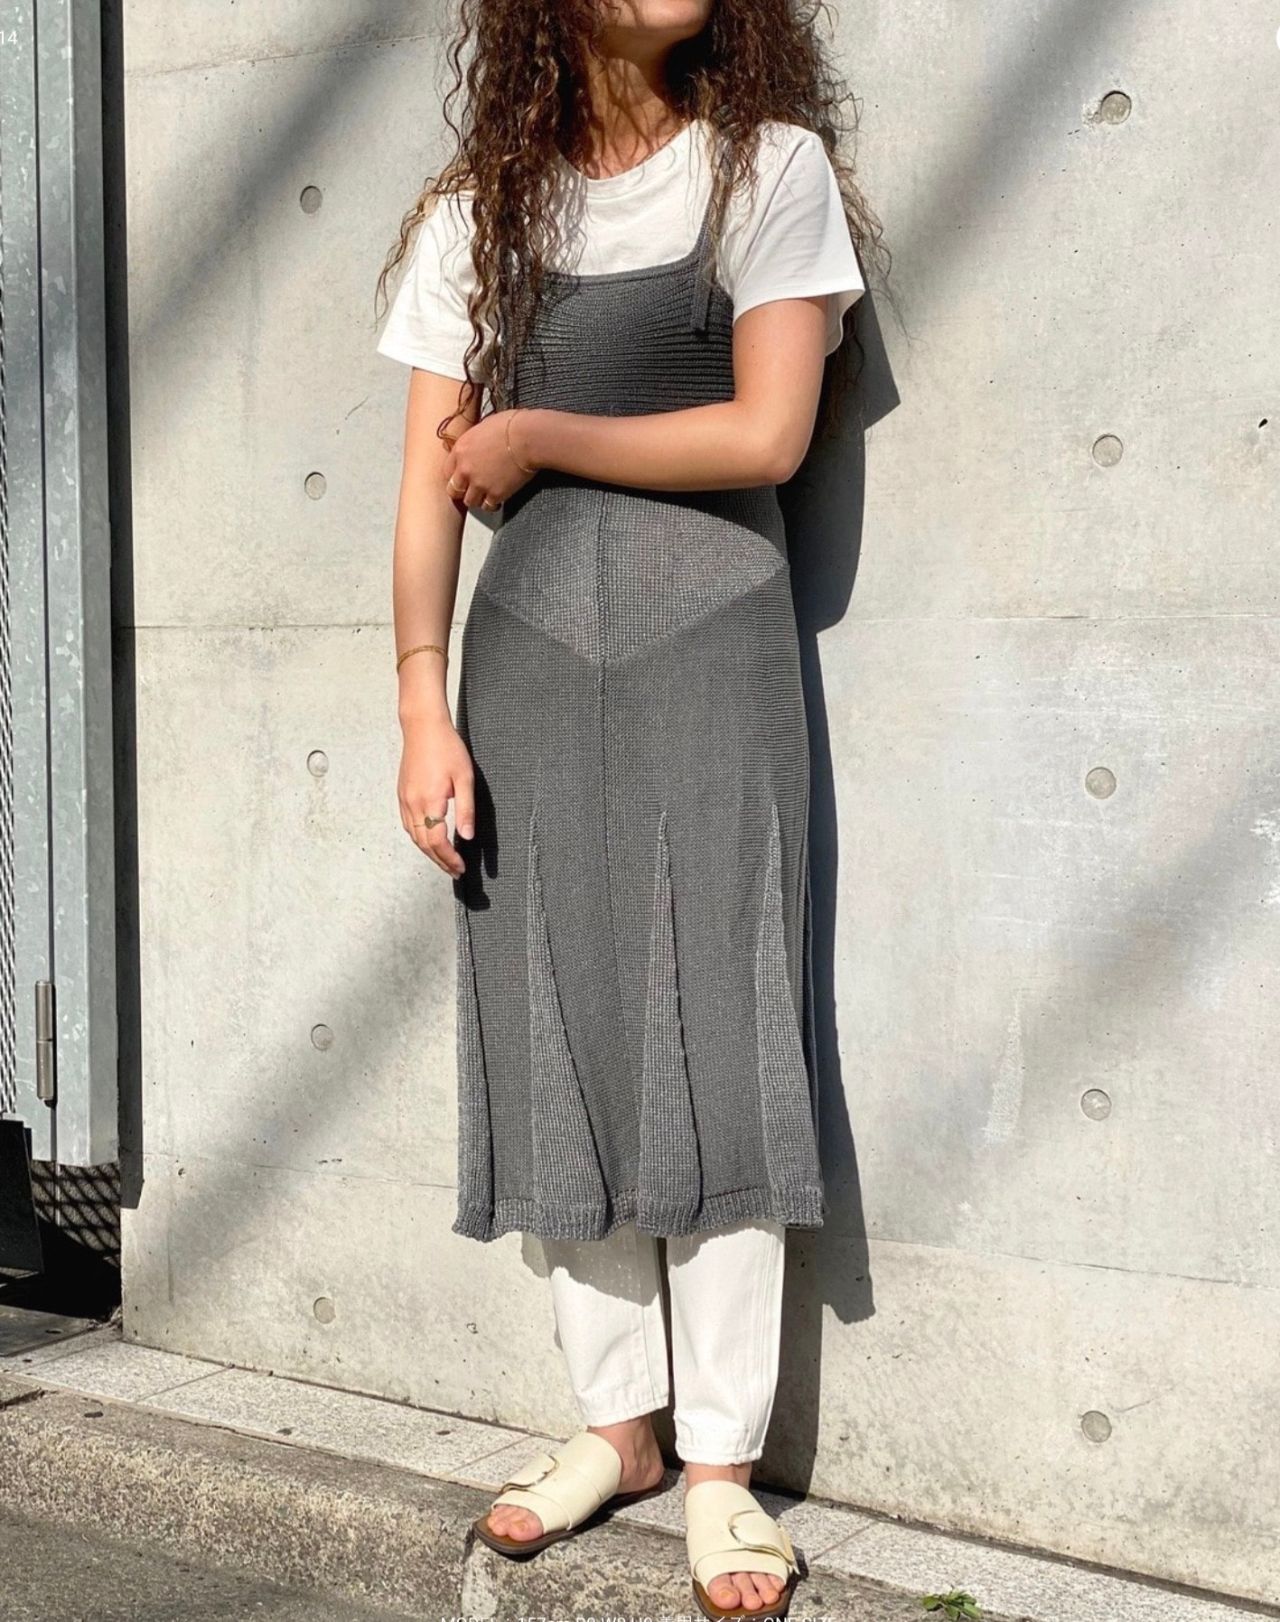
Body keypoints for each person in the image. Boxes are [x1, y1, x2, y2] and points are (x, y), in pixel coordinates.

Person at [374, 3, 880, 1615]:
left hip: (713, 646)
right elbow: (421, 489)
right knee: (559, 1027)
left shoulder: (767, 169)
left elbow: (767, 434)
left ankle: (721, 1463)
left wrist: (536, 434)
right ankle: (618, 1427)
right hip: (522, 667)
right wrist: (420, 706)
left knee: (725, 1023)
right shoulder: (476, 213)